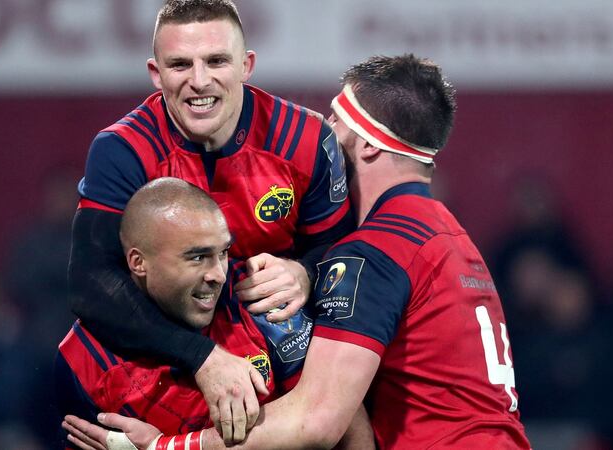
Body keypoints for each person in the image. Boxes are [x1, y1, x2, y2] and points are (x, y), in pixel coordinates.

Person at [64, 55, 531, 449]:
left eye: (337, 119)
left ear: (368, 145)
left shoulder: (374, 252)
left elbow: (315, 421)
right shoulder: (451, 238)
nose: (324, 133)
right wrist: (307, 272)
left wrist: (165, 447)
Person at [67, 0, 352, 442]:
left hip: (283, 358)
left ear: (246, 65)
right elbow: (91, 284)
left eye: (216, 61)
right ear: (156, 73)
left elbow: (343, 257)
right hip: (163, 361)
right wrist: (205, 358)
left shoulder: (307, 140)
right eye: (180, 64)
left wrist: (304, 273)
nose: (199, 81)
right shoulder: (122, 150)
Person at [58, 178, 371, 450]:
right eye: (197, 257)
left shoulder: (258, 298)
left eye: (222, 253)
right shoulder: (83, 359)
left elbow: (346, 430)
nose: (218, 274)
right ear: (139, 263)